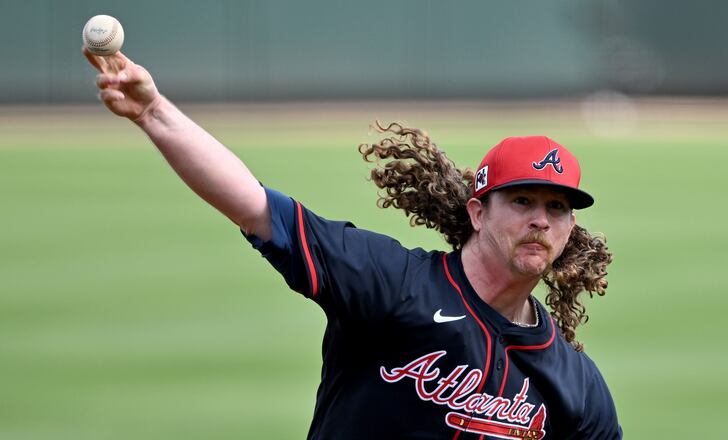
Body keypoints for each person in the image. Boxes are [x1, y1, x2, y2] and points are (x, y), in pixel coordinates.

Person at [85, 48, 622, 439]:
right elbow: (253, 205)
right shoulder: (391, 283)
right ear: (477, 213)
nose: (541, 221)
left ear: (570, 228)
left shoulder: (575, 382)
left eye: (557, 208)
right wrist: (153, 112)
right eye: (522, 202)